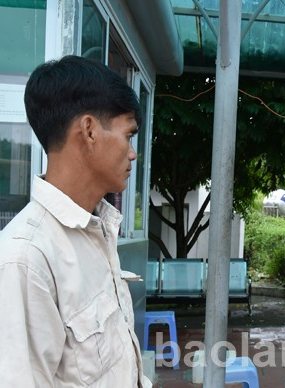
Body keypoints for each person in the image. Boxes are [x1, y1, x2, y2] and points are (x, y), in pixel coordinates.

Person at [0, 55, 151, 387]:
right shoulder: (26, 259)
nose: (132, 153)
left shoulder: (97, 231)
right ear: (89, 131)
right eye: (129, 135)